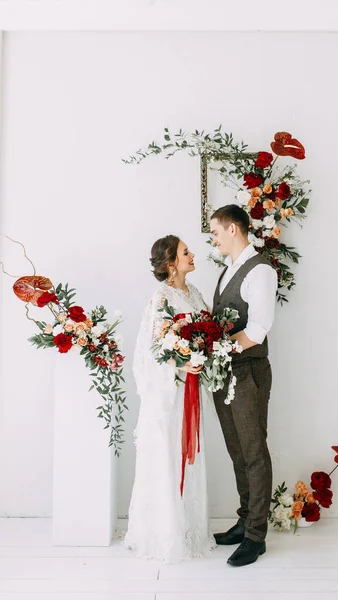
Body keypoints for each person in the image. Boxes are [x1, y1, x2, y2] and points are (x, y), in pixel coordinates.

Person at [124, 235, 215, 563]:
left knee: (189, 456)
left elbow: (207, 329)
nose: (193, 255)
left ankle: (190, 528)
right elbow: (152, 350)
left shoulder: (193, 293)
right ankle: (164, 533)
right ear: (171, 263)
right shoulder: (161, 298)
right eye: (186, 252)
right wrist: (182, 361)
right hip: (170, 394)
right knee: (168, 454)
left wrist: (205, 351)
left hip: (191, 388)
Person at [210, 204, 277, 567]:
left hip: (249, 374)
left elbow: (257, 329)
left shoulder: (261, 270)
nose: (214, 238)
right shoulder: (226, 270)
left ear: (233, 229)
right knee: (237, 451)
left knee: (253, 452)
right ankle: (244, 519)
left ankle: (256, 537)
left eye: (216, 232)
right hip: (225, 373)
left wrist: (217, 346)